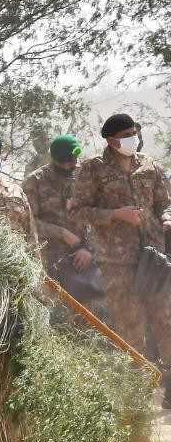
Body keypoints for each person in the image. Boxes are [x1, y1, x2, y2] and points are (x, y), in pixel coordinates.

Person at [70, 112, 171, 383]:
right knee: (131, 327)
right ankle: (137, 395)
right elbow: (77, 212)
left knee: (167, 322)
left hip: (154, 259)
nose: (133, 139)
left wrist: (166, 217)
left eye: (134, 133)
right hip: (117, 262)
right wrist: (116, 214)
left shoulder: (147, 164)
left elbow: (164, 201)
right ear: (112, 140)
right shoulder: (93, 169)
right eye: (126, 136)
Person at [22, 134, 102, 304]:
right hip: (49, 263)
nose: (68, 166)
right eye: (63, 163)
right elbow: (29, 222)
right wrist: (61, 233)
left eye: (72, 161)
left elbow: (99, 214)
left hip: (83, 260)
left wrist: (88, 248)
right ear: (53, 159)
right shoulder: (35, 181)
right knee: (53, 316)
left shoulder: (85, 177)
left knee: (85, 317)